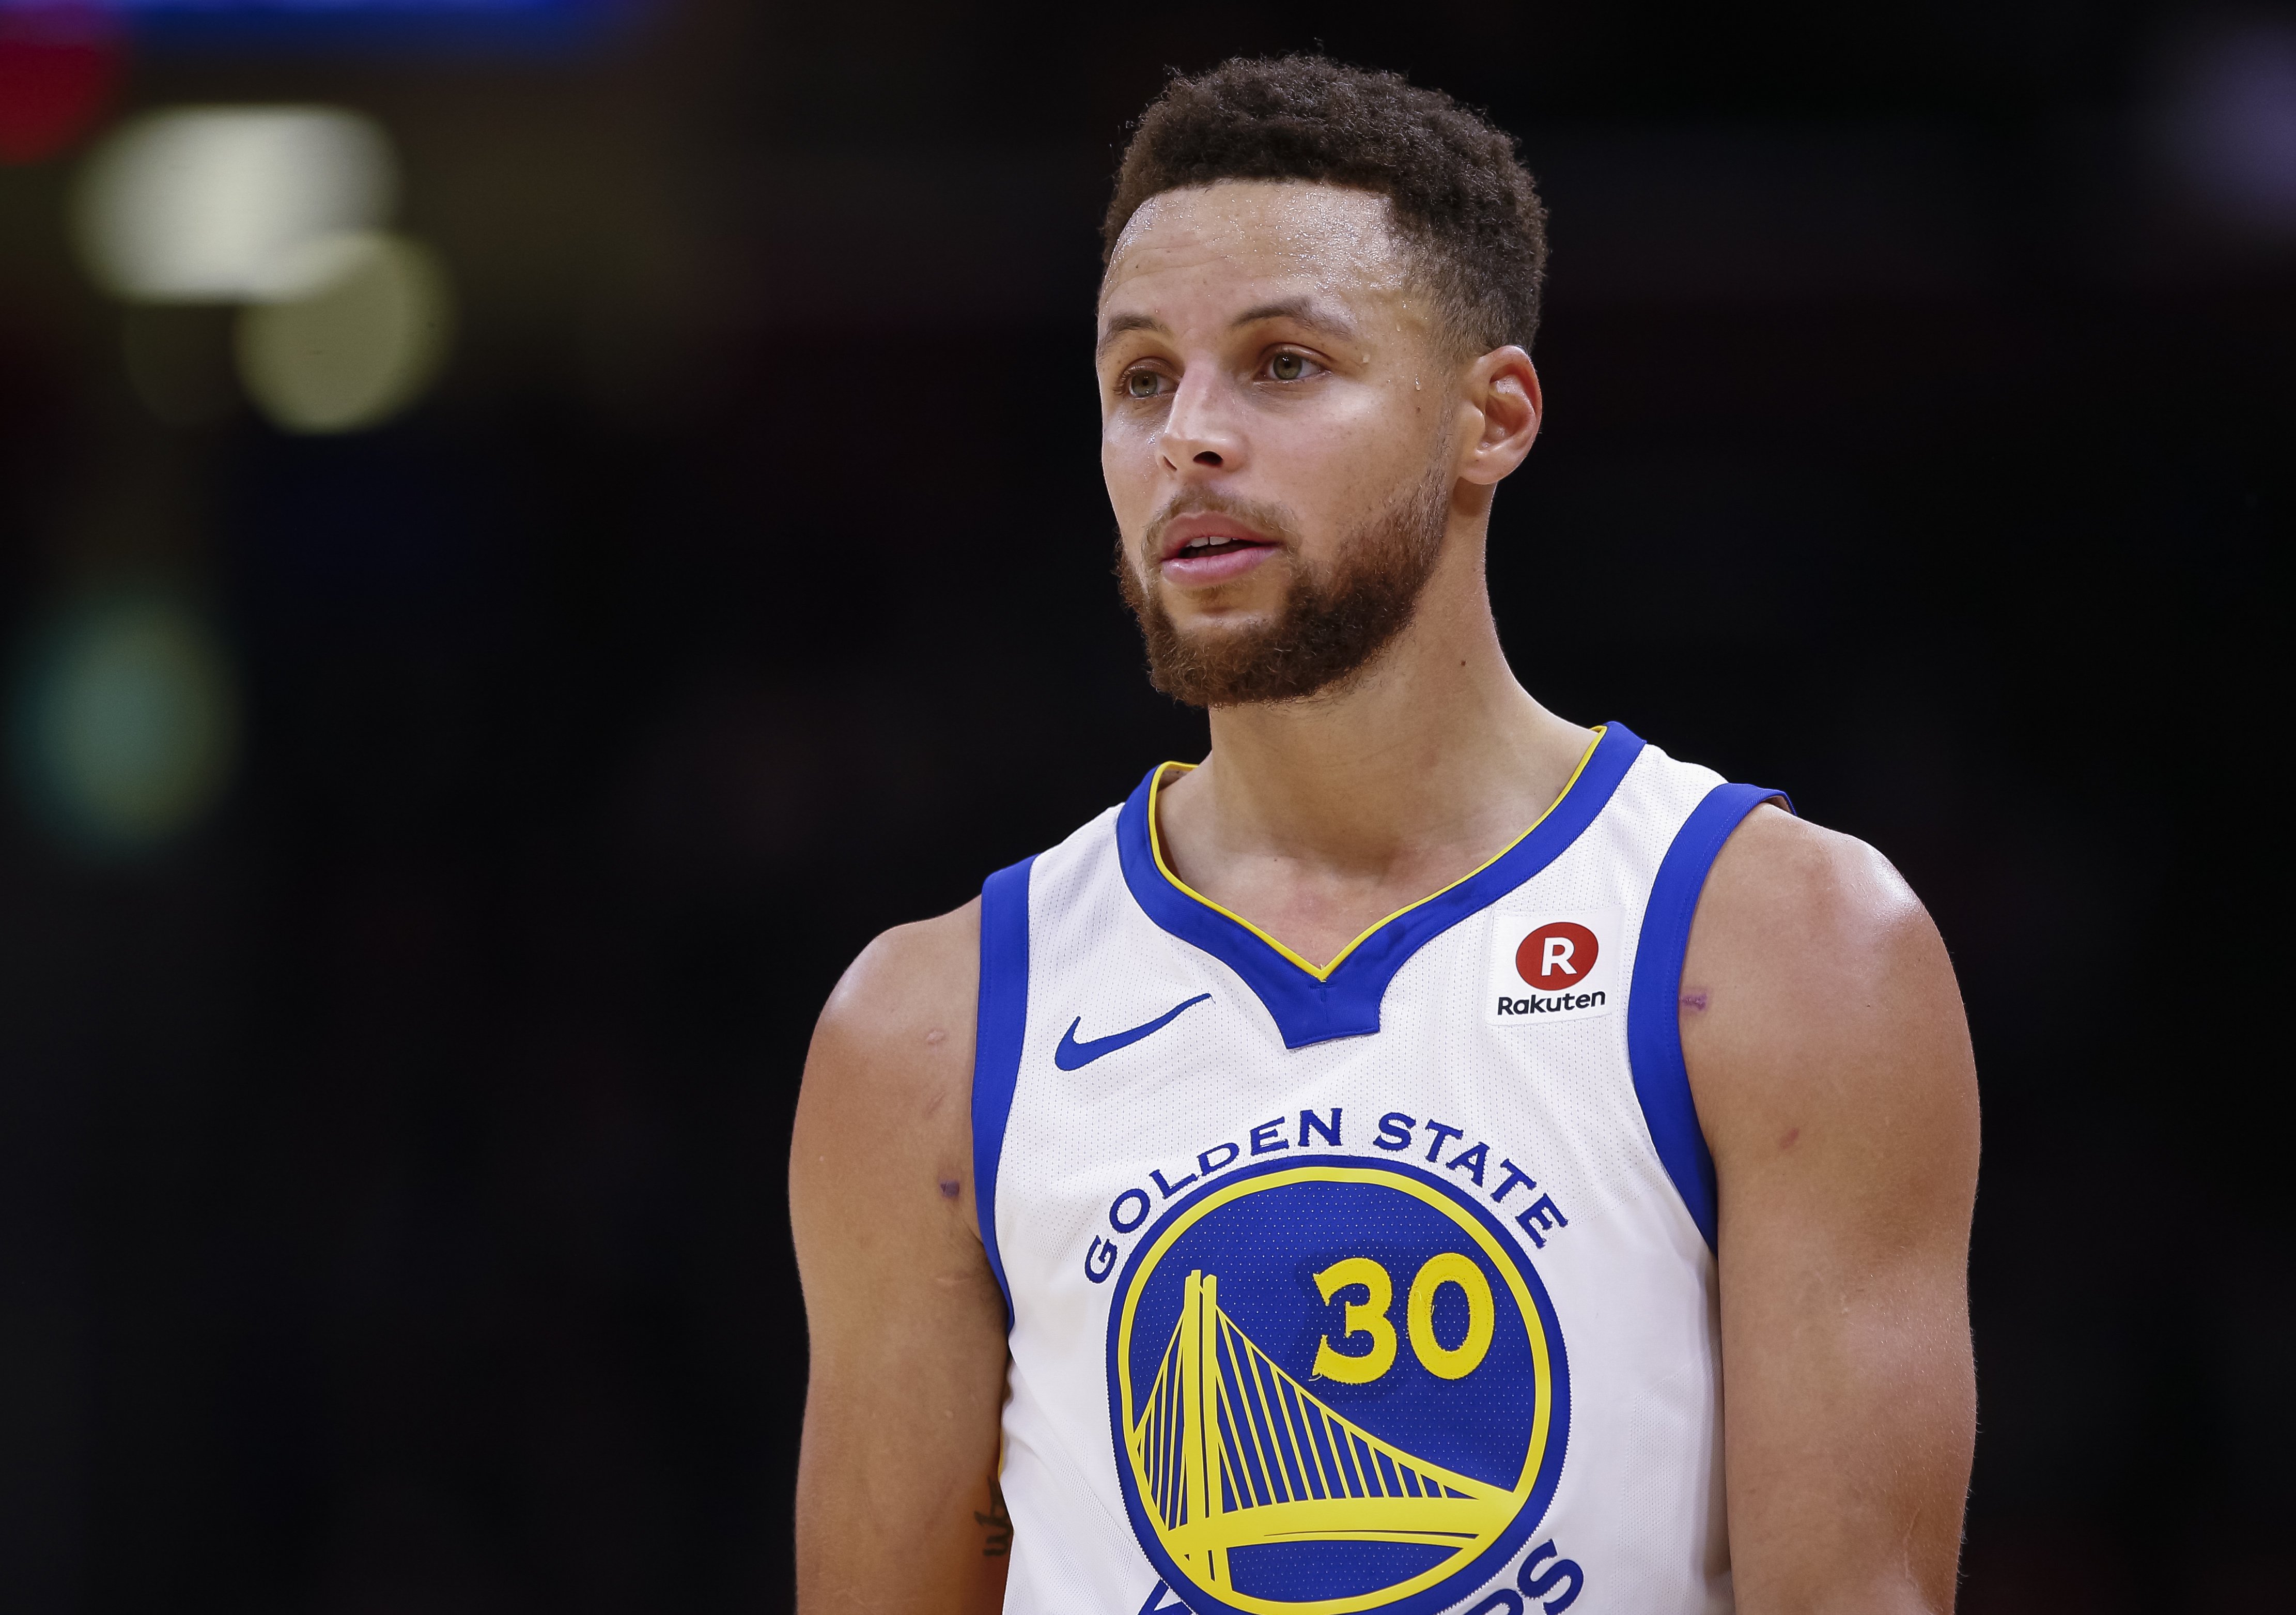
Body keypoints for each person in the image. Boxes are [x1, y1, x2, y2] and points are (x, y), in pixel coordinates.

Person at [789, 55, 1979, 1615]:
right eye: (1141, 379)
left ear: (1490, 418)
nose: (1187, 440)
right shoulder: (925, 1028)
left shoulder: (1781, 950)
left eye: (1282, 365)